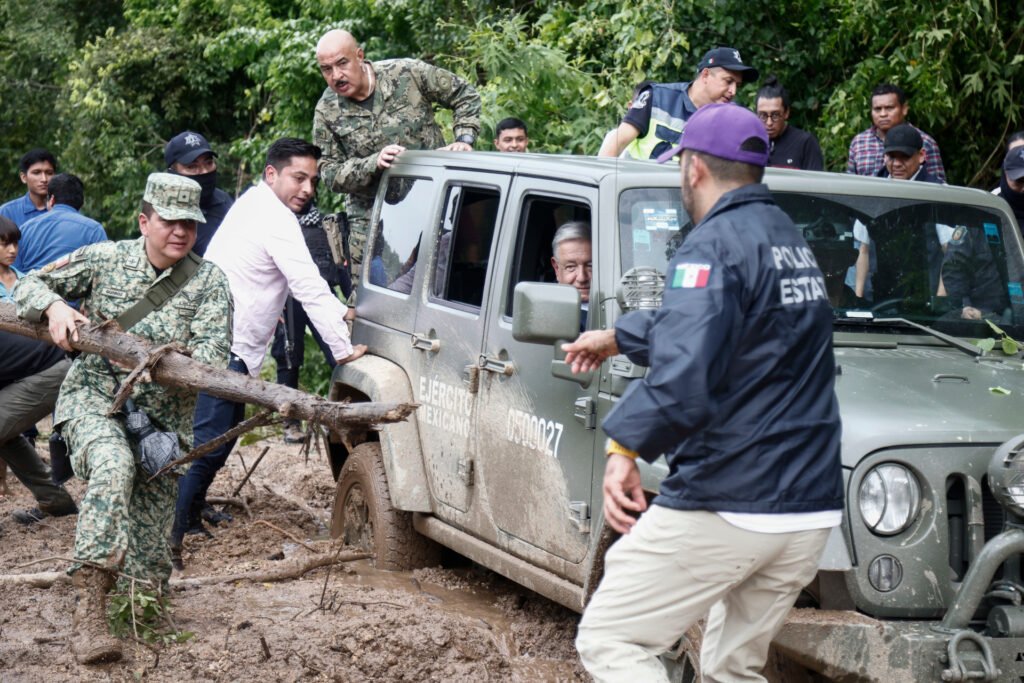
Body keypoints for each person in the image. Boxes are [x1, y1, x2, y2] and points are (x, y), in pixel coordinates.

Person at [569, 103, 842, 682]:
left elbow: (684, 376)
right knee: (730, 668)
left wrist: (623, 450)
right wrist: (621, 336)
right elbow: (735, 330)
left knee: (612, 638)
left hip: (734, 498)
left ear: (693, 167)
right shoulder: (791, 241)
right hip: (809, 509)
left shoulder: (711, 245)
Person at [13, 173, 232, 664]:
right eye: (169, 222)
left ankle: (133, 600)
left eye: (189, 225)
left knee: (147, 587)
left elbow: (210, 361)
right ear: (144, 220)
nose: (180, 232)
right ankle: (87, 613)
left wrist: (162, 362)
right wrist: (52, 307)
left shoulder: (210, 282)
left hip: (161, 426)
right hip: (94, 400)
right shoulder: (105, 259)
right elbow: (29, 281)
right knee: (113, 467)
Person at [172, 138, 367, 561]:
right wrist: (343, 349)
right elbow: (306, 283)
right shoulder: (275, 217)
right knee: (211, 440)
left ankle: (191, 509)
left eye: (313, 180)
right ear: (271, 174)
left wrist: (340, 313)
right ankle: (173, 529)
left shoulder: (253, 203)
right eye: (299, 177)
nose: (308, 188)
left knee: (221, 438)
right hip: (225, 343)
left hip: (229, 339)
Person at [312, 29, 481, 276]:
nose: (336, 75)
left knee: (454, 282)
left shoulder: (406, 73)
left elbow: (464, 94)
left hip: (434, 203)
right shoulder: (326, 111)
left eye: (342, 63)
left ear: (359, 56)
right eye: (326, 69)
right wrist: (372, 164)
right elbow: (328, 173)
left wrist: (464, 140)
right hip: (376, 223)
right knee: (374, 304)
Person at [0, 216, 78, 525]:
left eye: (14, 243)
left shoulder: (26, 282)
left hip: (53, 368)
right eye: (5, 243)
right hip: (26, 370)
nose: (12, 250)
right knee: (6, 435)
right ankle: (56, 502)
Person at [270, 198, 353, 444]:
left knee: (339, 351)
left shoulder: (326, 226)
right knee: (288, 356)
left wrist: (351, 301)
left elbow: (340, 265)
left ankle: (344, 415)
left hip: (322, 297)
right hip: (289, 300)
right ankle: (290, 423)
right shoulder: (280, 226)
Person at [598, 47, 759, 160]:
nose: (733, 91)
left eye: (737, 85)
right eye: (728, 81)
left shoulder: (731, 120)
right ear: (705, 75)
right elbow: (616, 143)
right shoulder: (657, 98)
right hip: (636, 201)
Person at [847, 84, 945, 182]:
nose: (883, 114)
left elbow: (937, 188)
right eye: (877, 109)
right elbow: (851, 184)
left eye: (889, 108)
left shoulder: (925, 142)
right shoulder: (859, 142)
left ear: (904, 109)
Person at [13, 173, 107, 272]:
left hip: (32, 285)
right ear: (81, 203)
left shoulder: (26, 228)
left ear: (52, 199)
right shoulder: (94, 229)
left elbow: (14, 271)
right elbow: (104, 269)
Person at [164, 131, 235, 256]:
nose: (204, 171)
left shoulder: (224, 201)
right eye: (192, 166)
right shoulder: (163, 210)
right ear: (173, 172)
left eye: (208, 163)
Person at [755, 76, 824, 171]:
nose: (769, 122)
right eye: (763, 116)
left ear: (786, 113)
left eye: (775, 115)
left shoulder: (805, 143)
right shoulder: (751, 143)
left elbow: (816, 183)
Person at [0, 149, 57, 227]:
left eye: (49, 173)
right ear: (23, 177)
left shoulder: (64, 210)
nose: (44, 179)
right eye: (36, 173)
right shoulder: (6, 212)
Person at [550, 221, 592, 328]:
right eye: (571, 267)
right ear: (556, 268)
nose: (582, 278)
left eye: (590, 266)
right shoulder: (547, 310)